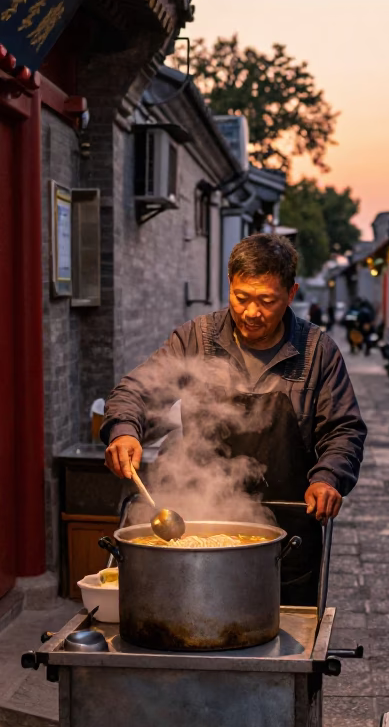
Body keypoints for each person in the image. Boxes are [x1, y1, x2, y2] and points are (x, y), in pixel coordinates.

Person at [102, 234, 366, 603]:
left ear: (291, 294)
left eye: (266, 301)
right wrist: (125, 430)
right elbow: (138, 390)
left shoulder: (317, 352)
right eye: (241, 298)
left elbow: (343, 429)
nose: (251, 312)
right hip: (197, 524)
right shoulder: (196, 338)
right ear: (229, 284)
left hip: (286, 536)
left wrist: (329, 477)